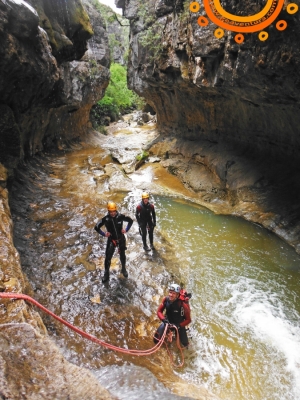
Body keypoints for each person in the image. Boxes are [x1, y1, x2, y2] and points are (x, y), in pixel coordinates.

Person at [94, 201, 133, 283]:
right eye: (111, 212)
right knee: (108, 257)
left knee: (122, 255)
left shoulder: (120, 217)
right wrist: (104, 234)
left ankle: (123, 268)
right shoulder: (106, 219)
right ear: (108, 211)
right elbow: (97, 227)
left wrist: (125, 230)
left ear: (116, 210)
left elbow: (130, 221)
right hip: (111, 240)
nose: (112, 213)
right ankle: (106, 273)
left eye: (114, 211)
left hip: (121, 239)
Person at [153, 283, 191, 348]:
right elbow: (159, 312)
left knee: (185, 345)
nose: (171, 295)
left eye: (173, 293)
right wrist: (163, 319)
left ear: (177, 295)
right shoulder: (166, 300)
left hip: (179, 325)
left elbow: (188, 320)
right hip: (167, 322)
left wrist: (179, 325)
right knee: (156, 339)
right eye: (170, 292)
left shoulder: (182, 305)